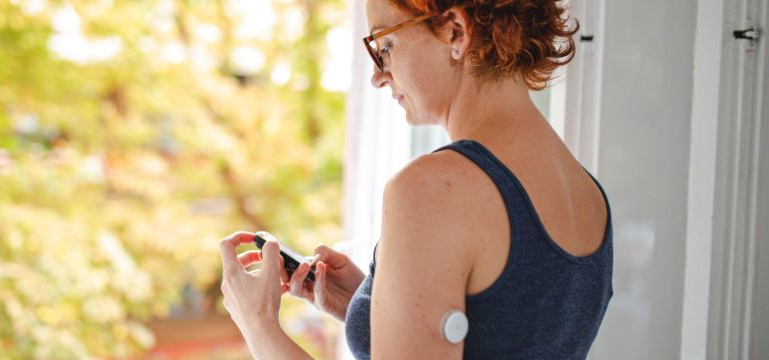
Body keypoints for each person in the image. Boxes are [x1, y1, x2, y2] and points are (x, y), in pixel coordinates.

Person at [218, 0, 613, 358]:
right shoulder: (585, 190)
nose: (377, 76)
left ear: (455, 32)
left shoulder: (436, 189)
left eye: (384, 47)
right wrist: (369, 303)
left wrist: (258, 325)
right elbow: (509, 329)